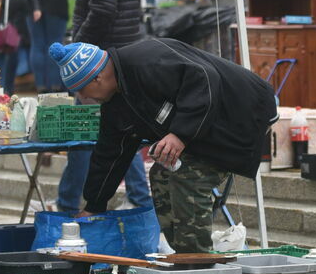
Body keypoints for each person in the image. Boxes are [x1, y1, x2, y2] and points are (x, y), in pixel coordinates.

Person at [50, 39, 277, 253]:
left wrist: (180, 134)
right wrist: (94, 205)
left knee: (187, 175)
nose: (82, 97)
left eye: (81, 90)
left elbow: (204, 78)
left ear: (97, 78)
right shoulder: (114, 104)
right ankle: (182, 252)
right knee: (161, 174)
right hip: (204, 123)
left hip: (244, 109)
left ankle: (196, 261)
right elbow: (110, 154)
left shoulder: (146, 60)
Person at [55, 0, 150, 216]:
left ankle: (71, 205)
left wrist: (77, 50)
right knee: (124, 128)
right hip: (121, 52)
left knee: (88, 130)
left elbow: (103, 10)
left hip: (100, 61)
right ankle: (138, 195)